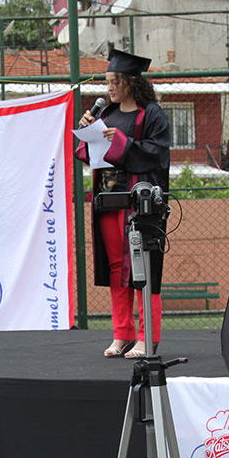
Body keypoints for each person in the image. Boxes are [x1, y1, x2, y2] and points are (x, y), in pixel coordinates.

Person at [76, 48, 171, 359]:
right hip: (108, 200)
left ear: (132, 81)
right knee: (118, 268)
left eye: (115, 81)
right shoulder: (106, 114)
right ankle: (123, 333)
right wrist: (87, 132)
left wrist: (121, 141)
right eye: (107, 82)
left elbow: (156, 153)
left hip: (138, 205)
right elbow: (89, 154)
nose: (110, 88)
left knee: (143, 268)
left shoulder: (151, 114)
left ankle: (147, 338)